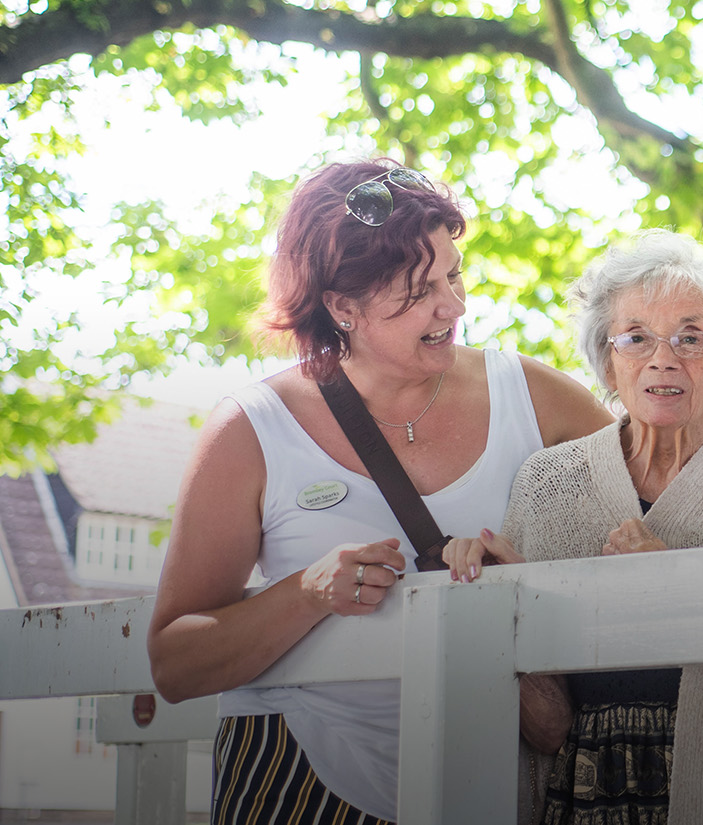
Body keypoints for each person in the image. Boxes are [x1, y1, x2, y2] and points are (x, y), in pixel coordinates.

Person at [146, 160, 613, 825]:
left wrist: (531, 600)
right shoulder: (251, 431)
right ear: (342, 307)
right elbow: (174, 661)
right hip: (298, 782)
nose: (452, 306)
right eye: (416, 290)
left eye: (453, 274)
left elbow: (651, 496)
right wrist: (307, 592)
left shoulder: (532, 396)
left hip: (490, 787)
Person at [447, 230, 703, 825]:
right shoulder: (548, 484)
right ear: (608, 363)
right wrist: (501, 600)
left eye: (691, 338)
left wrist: (670, 583)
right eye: (636, 338)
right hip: (577, 790)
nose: (663, 358)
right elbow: (537, 719)